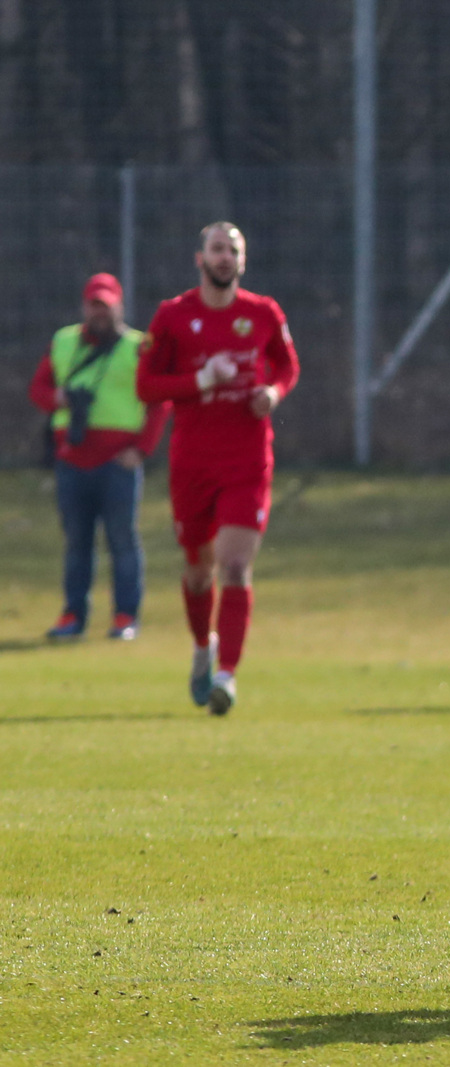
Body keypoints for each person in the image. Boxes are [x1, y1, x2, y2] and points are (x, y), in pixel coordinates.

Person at [136, 222, 300, 716]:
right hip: (192, 463)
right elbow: (148, 387)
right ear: (199, 257)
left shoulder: (264, 312)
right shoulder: (172, 316)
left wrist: (272, 394)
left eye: (233, 250)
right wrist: (200, 380)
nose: (224, 257)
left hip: (248, 460)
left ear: (242, 261)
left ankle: (226, 675)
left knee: (234, 565)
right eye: (217, 249)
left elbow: (288, 366)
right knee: (197, 570)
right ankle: (201, 647)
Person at [28, 274, 168, 641]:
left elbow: (159, 402)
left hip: (117, 464)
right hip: (72, 460)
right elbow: (38, 388)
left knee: (123, 540)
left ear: (119, 306)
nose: (100, 313)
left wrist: (141, 450)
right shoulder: (63, 341)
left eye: (106, 306)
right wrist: (59, 398)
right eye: (94, 306)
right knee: (76, 543)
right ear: (84, 307)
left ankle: (125, 616)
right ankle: (73, 615)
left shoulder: (139, 347)